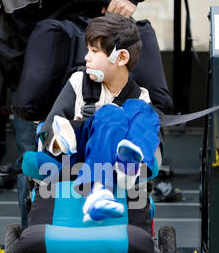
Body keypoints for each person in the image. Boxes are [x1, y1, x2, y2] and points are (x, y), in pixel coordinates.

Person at [0, 0, 170, 228]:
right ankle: (37, 239)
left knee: (110, 131)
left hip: (84, 55)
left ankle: (111, 226)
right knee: (33, 158)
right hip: (29, 70)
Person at [22, 14, 161, 223]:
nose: (86, 57)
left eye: (94, 51)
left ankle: (129, 163)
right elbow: (48, 126)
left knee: (142, 110)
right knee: (111, 113)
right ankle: (98, 189)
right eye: (88, 50)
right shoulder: (79, 82)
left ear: (121, 58)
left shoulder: (140, 96)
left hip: (119, 155)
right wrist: (59, 140)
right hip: (79, 148)